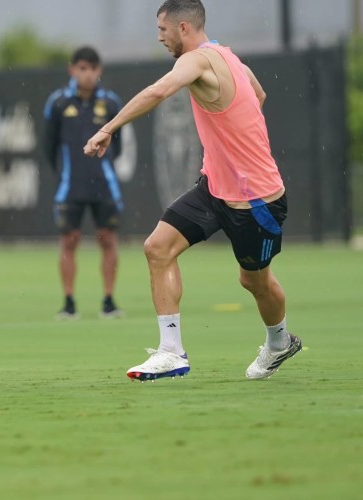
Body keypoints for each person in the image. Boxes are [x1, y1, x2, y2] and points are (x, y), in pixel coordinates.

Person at [84, 0, 302, 381]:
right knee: (157, 248)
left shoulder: (197, 60)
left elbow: (157, 92)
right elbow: (259, 94)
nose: (160, 38)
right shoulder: (229, 57)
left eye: (163, 31)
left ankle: (280, 342)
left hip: (256, 201)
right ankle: (171, 352)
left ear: (184, 28)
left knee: (254, 280)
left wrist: (109, 127)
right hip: (214, 189)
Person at [43, 46, 125, 320]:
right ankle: (68, 302)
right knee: (69, 241)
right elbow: (49, 146)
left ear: (98, 71)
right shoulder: (57, 103)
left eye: (91, 68)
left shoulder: (111, 103)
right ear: (72, 70)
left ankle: (109, 301)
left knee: (107, 239)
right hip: (71, 186)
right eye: (81, 68)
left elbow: (119, 146)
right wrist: (69, 171)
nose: (87, 74)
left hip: (104, 185)